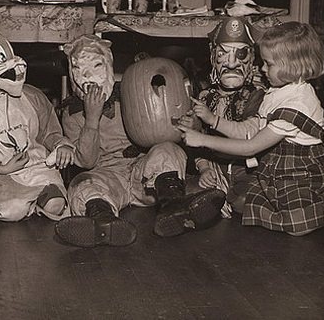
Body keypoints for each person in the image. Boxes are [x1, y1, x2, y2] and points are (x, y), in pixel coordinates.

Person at [54, 34, 226, 247]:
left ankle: (173, 206)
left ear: (108, 65)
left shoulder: (131, 90)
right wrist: (91, 119)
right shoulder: (72, 113)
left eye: (96, 65)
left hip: (144, 176)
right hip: (107, 176)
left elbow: (165, 126)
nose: (87, 76)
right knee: (82, 185)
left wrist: (190, 125)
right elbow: (87, 162)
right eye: (78, 69)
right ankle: (102, 219)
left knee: (167, 149)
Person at [180, 22, 324, 236]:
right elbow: (248, 130)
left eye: (268, 64)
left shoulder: (297, 104)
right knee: (245, 207)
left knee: (296, 226)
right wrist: (214, 120)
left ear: (291, 66)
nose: (262, 69)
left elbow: (250, 147)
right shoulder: (278, 91)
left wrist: (203, 140)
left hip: (301, 171)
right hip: (276, 167)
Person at [0, 29, 75, 222]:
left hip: (38, 167)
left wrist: (62, 145)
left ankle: (43, 200)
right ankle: (27, 204)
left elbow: (50, 131)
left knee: (56, 203)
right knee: (13, 209)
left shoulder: (32, 96)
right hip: (0, 175)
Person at [179, 16, 265, 217]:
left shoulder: (257, 96)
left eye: (240, 54)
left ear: (252, 59)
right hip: (214, 165)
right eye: (223, 55)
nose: (232, 63)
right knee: (188, 193)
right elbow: (195, 142)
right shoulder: (205, 97)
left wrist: (213, 119)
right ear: (212, 59)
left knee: (244, 201)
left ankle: (225, 200)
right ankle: (216, 198)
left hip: (246, 169)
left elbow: (248, 136)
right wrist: (204, 168)